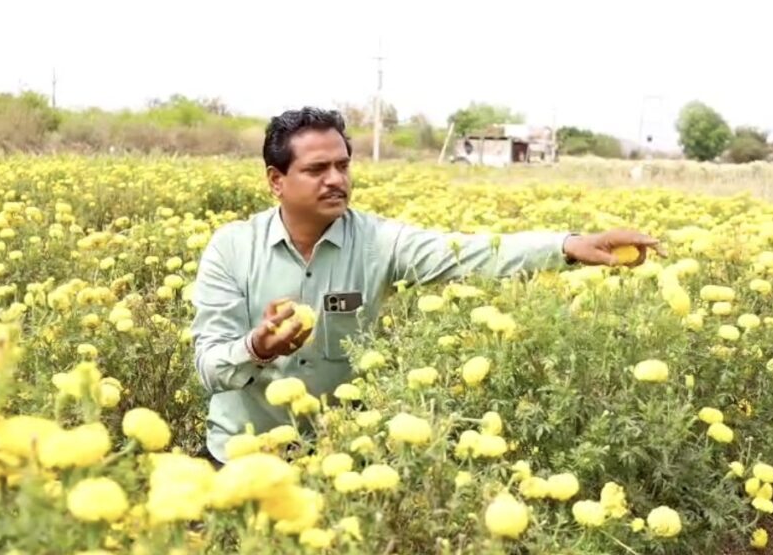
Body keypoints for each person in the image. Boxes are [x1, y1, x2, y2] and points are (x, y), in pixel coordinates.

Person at [190, 107, 664, 466]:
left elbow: (472, 252)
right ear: (276, 181)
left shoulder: (378, 242)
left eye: (343, 165)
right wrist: (257, 346)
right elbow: (209, 369)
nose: (337, 180)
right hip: (240, 459)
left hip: (335, 461)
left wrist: (569, 244)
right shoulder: (233, 249)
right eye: (317, 170)